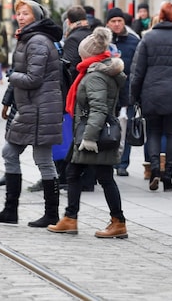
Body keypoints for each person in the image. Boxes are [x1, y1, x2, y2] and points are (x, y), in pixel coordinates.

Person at [0, 0, 64, 227]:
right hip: (31, 108)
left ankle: (51, 213)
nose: (20, 17)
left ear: (36, 17)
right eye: (18, 13)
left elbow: (33, 78)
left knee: (43, 160)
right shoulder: (27, 38)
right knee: (10, 152)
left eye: (25, 14)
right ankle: (11, 210)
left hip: (41, 109)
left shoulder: (37, 41)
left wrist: (12, 76)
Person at [47, 27, 129, 238]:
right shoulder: (96, 70)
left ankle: (116, 221)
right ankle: (71, 218)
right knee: (76, 173)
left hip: (93, 135)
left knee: (102, 177)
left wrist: (89, 138)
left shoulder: (95, 76)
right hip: (89, 132)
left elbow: (99, 108)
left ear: (88, 54)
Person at [130, 2, 172, 191]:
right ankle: (169, 174)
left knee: (154, 132)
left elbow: (137, 71)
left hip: (152, 92)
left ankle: (155, 169)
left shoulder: (148, 39)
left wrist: (134, 96)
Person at [106, 7, 140, 177]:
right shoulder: (103, 41)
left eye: (120, 21)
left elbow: (137, 68)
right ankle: (109, 161)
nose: (117, 24)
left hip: (127, 92)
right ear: (108, 23)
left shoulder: (134, 42)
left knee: (125, 129)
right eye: (113, 21)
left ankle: (122, 163)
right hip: (107, 94)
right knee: (108, 129)